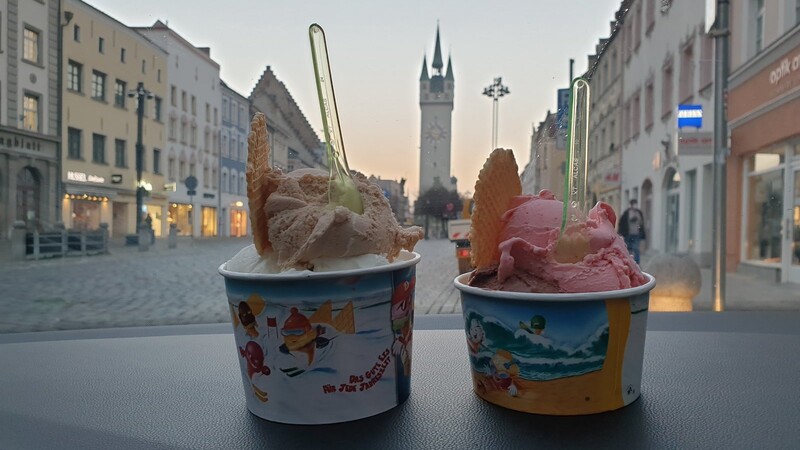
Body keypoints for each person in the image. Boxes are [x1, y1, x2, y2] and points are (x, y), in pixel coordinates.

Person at [618, 199, 646, 264]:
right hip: (628, 234)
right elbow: (622, 223)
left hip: (636, 234)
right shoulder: (626, 213)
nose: (634, 206)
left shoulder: (638, 212)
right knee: (628, 249)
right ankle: (628, 263)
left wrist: (641, 232)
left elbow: (641, 223)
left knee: (636, 249)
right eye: (633, 204)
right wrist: (620, 232)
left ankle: (637, 264)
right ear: (631, 205)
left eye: (635, 204)